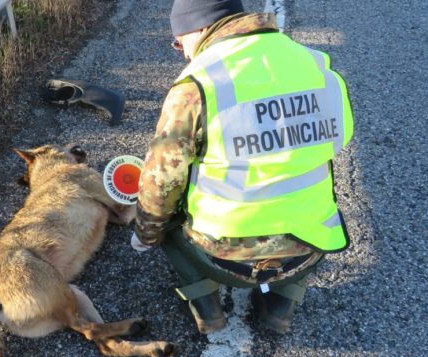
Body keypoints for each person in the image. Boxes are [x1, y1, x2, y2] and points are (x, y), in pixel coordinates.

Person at [131, 0, 354, 335]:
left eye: (180, 42)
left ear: (200, 27)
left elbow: (161, 182)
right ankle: (282, 302)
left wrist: (145, 235)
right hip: (308, 248)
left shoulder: (199, 82)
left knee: (162, 213)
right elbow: (341, 138)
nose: (184, 53)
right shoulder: (317, 65)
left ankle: (206, 305)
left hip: (223, 256)